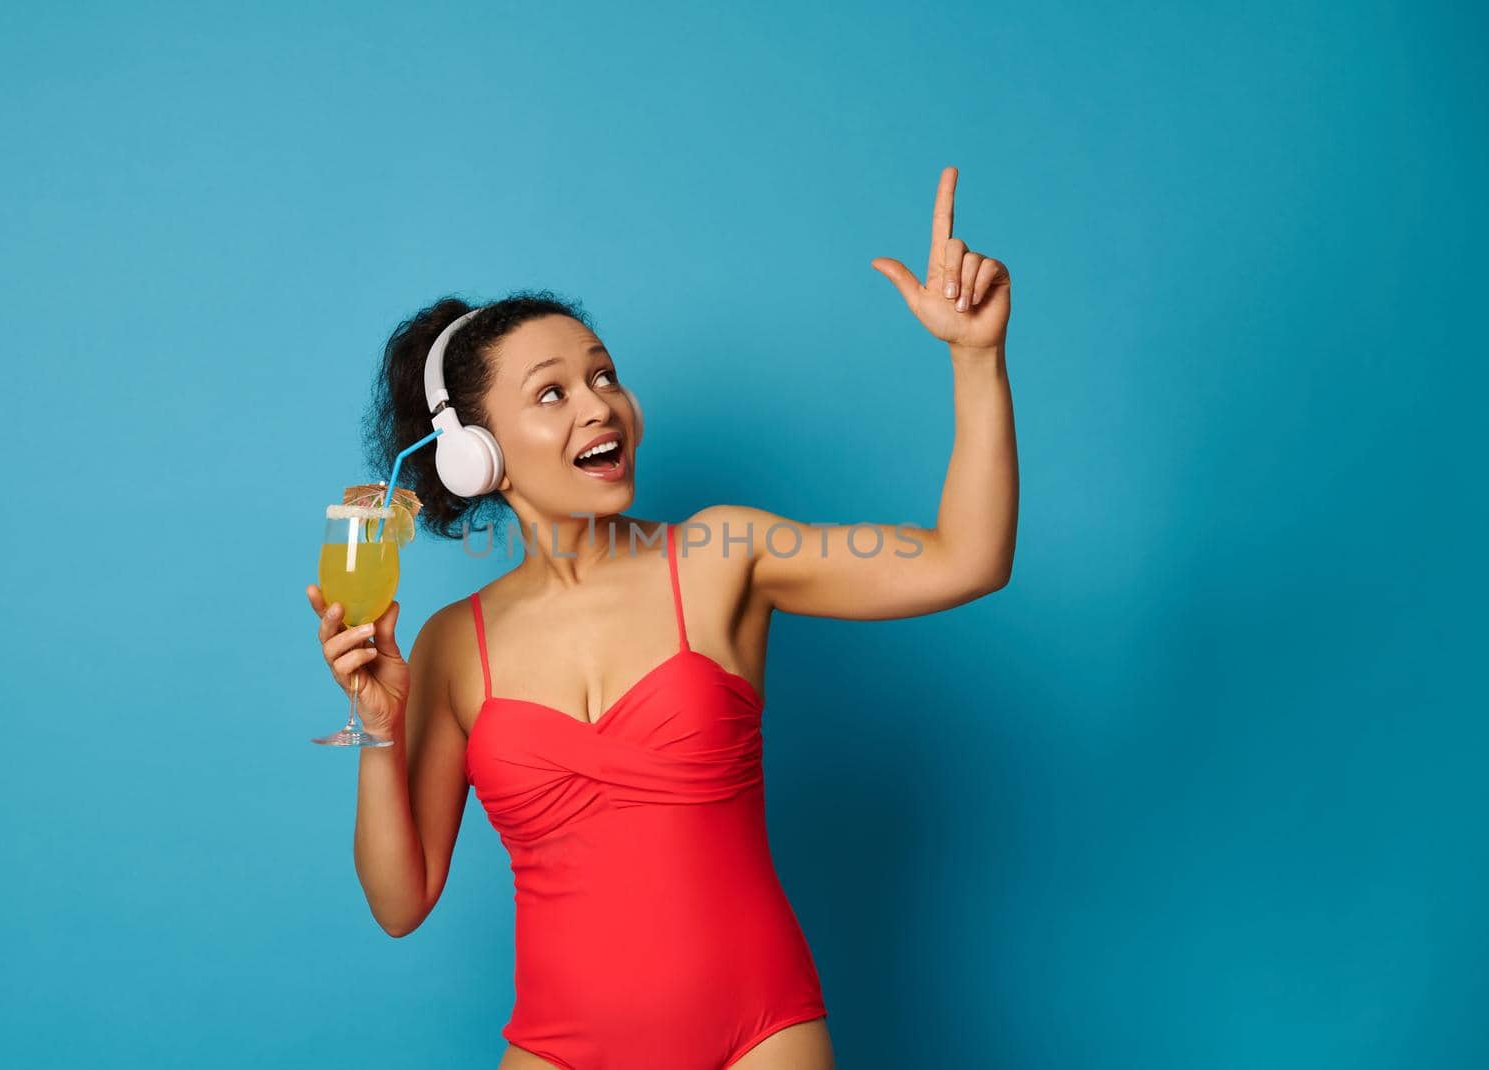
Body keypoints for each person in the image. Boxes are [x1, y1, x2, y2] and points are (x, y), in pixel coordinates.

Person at [306, 165, 1017, 1070]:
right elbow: (401, 904)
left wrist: (976, 356)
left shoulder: (724, 555)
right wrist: (376, 729)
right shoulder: (453, 646)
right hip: (559, 1050)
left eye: (604, 374)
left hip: (760, 1035)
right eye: (553, 392)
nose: (601, 403)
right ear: (476, 458)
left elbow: (969, 556)